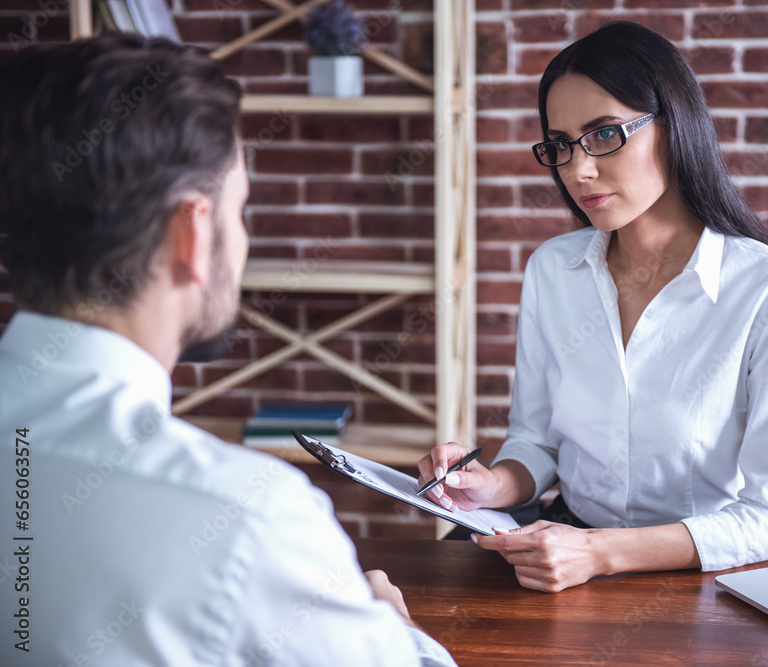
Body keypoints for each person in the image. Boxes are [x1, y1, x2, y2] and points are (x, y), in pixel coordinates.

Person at [0, 33, 455, 665]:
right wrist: (392, 630)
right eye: (240, 212)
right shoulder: (248, 515)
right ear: (191, 233)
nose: (241, 245)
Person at [417, 22, 768, 593]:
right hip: (565, 558)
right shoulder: (553, 271)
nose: (578, 170)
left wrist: (601, 553)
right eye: (560, 145)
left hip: (707, 582)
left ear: (673, 125)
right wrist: (492, 486)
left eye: (604, 134)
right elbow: (538, 442)